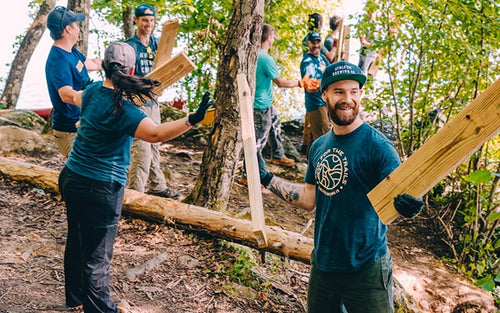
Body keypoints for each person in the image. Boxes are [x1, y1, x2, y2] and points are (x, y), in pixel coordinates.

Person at [58, 41, 213, 312]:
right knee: (97, 259)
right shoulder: (124, 110)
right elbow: (155, 134)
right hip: (100, 188)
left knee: (76, 241)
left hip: (71, 177)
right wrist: (192, 119)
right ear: (130, 71)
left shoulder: (93, 91)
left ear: (104, 67)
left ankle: (76, 298)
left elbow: (72, 96)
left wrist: (65, 82)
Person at [261, 61, 423, 313]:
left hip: (366, 269)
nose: (347, 99)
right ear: (324, 94)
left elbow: (399, 197)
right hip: (323, 266)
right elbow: (307, 198)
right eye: (339, 92)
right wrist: (268, 180)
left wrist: (411, 205)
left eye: (353, 91)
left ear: (360, 94)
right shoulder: (319, 146)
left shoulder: (378, 147)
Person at [125, 4, 180, 199]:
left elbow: (165, 66)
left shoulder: (157, 44)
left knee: (155, 145)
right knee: (141, 150)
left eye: (151, 20)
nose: (148, 24)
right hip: (137, 103)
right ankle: (134, 194)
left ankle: (157, 186)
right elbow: (125, 76)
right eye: (144, 20)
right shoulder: (130, 46)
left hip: (154, 103)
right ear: (136, 21)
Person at [45, 6, 102, 157]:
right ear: (68, 29)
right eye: (76, 25)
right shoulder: (58, 61)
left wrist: (116, 62)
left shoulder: (71, 51)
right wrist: (98, 100)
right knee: (85, 176)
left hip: (83, 124)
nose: (79, 29)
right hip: (69, 131)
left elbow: (92, 64)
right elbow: (66, 95)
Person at [300, 31, 330, 157]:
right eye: (313, 42)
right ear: (308, 43)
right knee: (324, 136)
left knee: (315, 138)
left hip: (324, 101)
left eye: (318, 42)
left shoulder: (321, 58)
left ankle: (310, 167)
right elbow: (307, 83)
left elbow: (329, 70)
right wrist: (317, 84)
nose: (316, 45)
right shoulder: (308, 61)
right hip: (316, 104)